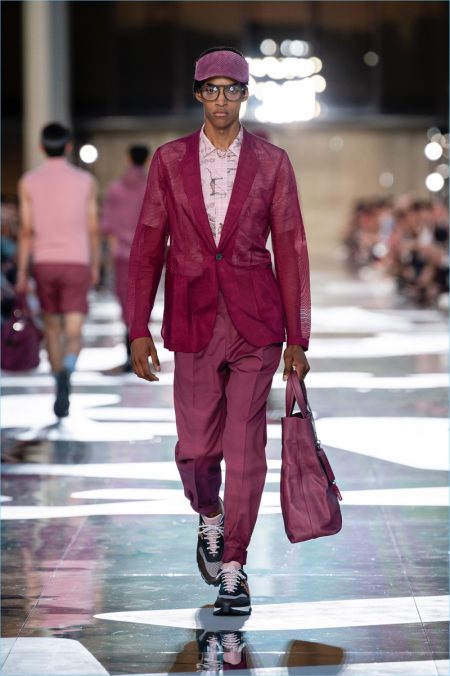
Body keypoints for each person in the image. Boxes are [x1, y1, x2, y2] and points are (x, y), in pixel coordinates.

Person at [127, 47, 311, 618]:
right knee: (197, 450)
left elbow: (292, 247)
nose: (222, 99)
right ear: (198, 94)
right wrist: (137, 326)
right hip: (193, 318)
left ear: (245, 95)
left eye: (233, 89)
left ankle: (234, 564)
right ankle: (209, 513)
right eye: (212, 89)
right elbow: (147, 244)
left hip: (257, 322)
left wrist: (299, 338)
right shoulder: (169, 160)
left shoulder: (272, 162)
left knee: (245, 446)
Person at [16, 122, 99, 417]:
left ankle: (57, 380)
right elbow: (92, 228)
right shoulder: (85, 181)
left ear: (41, 148)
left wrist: (22, 272)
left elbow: (26, 231)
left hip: (44, 262)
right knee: (74, 331)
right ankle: (68, 370)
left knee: (52, 328)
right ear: (68, 147)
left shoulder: (28, 181)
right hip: (77, 261)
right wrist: (95, 265)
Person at [100, 144, 150, 372]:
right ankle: (139, 353)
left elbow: (109, 227)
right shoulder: (152, 187)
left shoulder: (115, 189)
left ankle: (131, 355)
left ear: (128, 159)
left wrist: (110, 256)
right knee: (143, 301)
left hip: (122, 255)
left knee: (125, 302)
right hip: (147, 253)